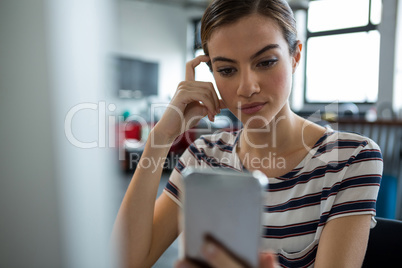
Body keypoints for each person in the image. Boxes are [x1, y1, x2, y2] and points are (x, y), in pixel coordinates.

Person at [112, 0, 383, 267]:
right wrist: (160, 138)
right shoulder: (204, 155)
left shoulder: (350, 158)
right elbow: (125, 262)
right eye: (227, 70)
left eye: (265, 62)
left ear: (295, 57)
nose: (246, 87)